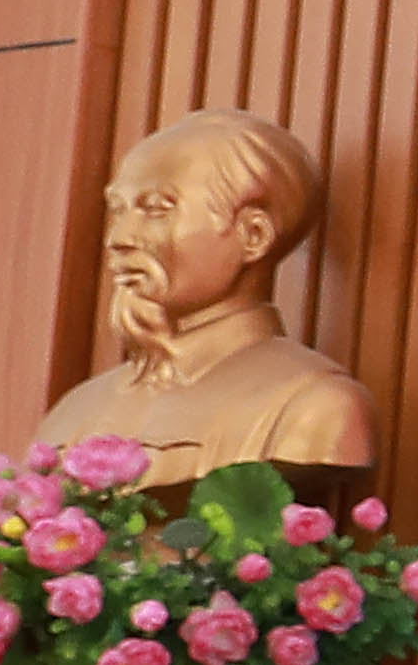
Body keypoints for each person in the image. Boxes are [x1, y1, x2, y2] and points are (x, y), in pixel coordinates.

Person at [32, 108, 377, 482]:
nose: (118, 239)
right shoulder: (74, 412)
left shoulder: (311, 407)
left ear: (253, 235)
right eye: (118, 210)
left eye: (156, 209)